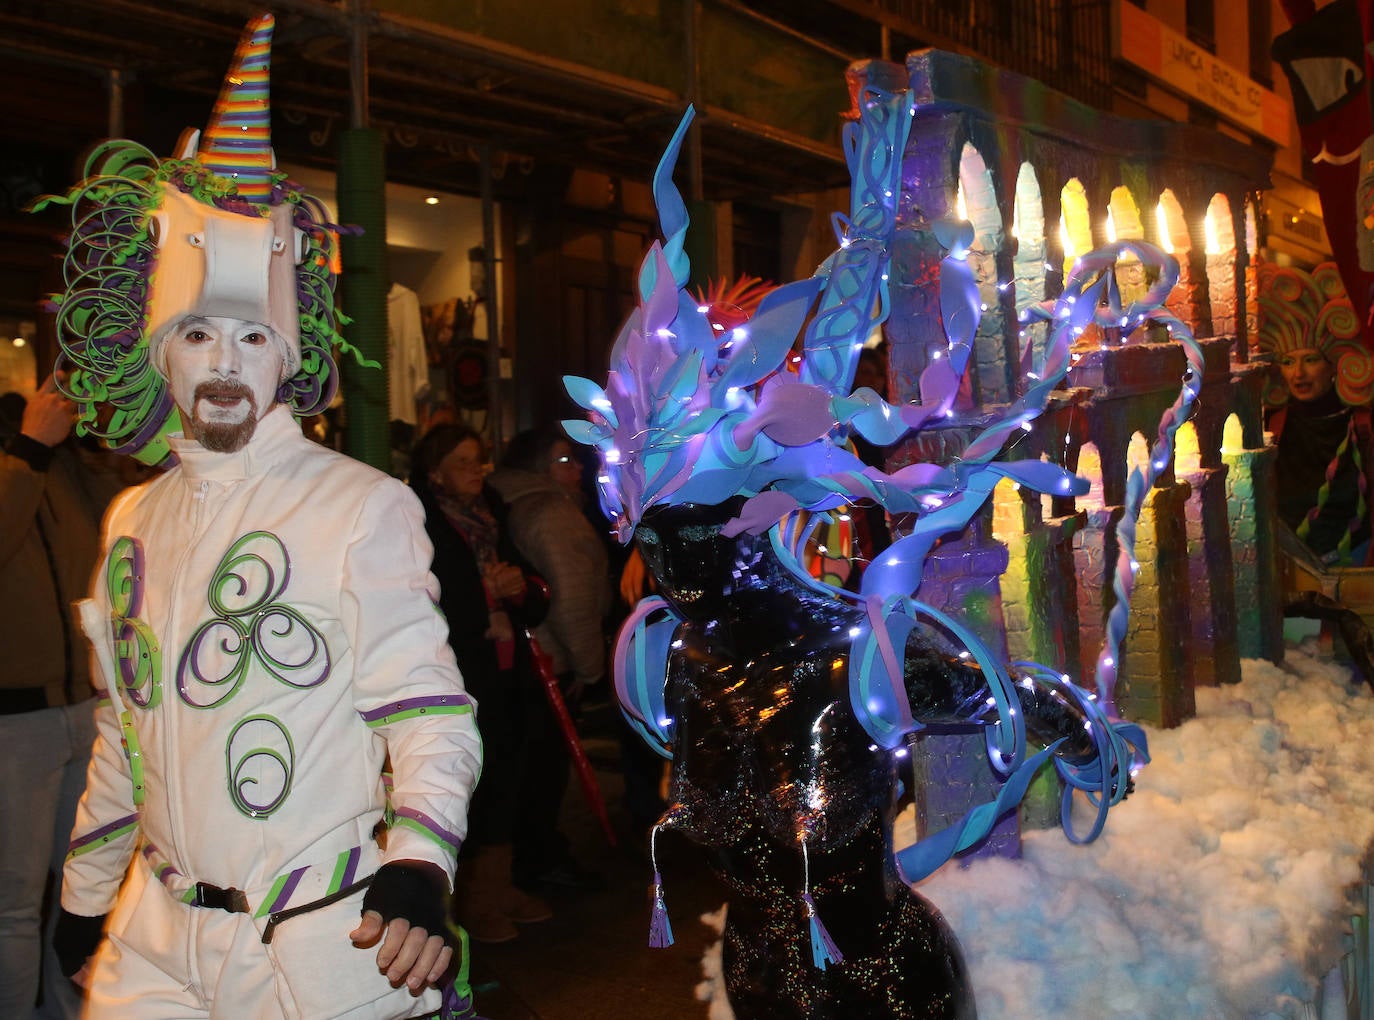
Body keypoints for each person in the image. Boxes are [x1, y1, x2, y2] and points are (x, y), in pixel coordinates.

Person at [44, 16, 482, 1019]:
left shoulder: (363, 505)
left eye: (252, 335)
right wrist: (81, 893)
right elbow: (128, 727)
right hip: (153, 939)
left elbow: (427, 713)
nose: (226, 362)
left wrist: (418, 862)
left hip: (324, 945)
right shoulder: (128, 518)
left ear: (289, 358)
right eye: (196, 333)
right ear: (164, 356)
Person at [1, 378, 123, 1020]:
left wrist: (91, 443)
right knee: (15, 909)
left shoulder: (52, 461)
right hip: (13, 721)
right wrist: (29, 451)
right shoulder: (22, 462)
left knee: (84, 894)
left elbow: (117, 524)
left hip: (84, 706)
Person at [411, 423, 554, 943]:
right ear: (436, 473)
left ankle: (498, 886)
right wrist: (481, 596)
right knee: (467, 779)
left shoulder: (492, 515)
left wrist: (518, 590)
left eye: (480, 460)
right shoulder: (423, 523)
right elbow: (426, 601)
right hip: (459, 669)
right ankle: (467, 900)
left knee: (508, 772)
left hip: (506, 667)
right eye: (464, 462)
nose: (477, 471)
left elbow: (535, 588)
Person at [488, 426, 610, 892]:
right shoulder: (552, 513)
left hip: (523, 653)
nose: (577, 469)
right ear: (539, 466)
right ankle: (540, 861)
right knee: (543, 770)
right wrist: (589, 666)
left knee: (526, 766)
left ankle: (528, 858)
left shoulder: (509, 502)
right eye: (564, 460)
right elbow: (573, 597)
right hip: (549, 659)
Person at [1259, 262, 1374, 565]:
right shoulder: (1272, 426)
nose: (1298, 374)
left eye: (1310, 359)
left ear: (1334, 362)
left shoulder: (1362, 425)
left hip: (1355, 569)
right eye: (1287, 362)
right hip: (1286, 572)